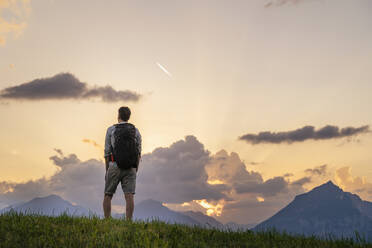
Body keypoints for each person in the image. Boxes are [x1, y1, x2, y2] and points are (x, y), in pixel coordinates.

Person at [103, 106, 142, 220]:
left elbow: (107, 152)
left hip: (114, 165)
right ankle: (128, 222)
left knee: (108, 195)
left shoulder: (111, 130)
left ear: (118, 115)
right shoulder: (136, 131)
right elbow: (138, 153)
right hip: (131, 167)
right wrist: (136, 169)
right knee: (129, 196)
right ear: (129, 117)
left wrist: (107, 169)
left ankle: (107, 221)